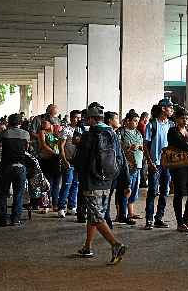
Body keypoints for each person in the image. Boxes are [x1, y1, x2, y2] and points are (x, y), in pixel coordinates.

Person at [75, 105, 128, 265]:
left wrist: (81, 179)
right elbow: (121, 159)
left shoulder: (88, 135)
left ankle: (116, 244)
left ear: (91, 119)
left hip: (92, 181)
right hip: (108, 180)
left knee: (96, 216)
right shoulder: (112, 133)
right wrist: (125, 182)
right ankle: (87, 247)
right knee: (95, 213)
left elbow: (81, 161)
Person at [143, 99, 175, 230]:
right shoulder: (152, 124)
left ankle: (159, 218)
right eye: (170, 107)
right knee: (152, 191)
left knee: (165, 191)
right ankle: (149, 219)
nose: (172, 110)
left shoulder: (171, 125)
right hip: (155, 164)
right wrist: (150, 162)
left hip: (167, 164)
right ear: (163, 109)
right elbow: (145, 145)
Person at [0, 114, 30, 227]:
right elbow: (27, 149)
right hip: (21, 166)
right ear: (20, 123)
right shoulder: (26, 134)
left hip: (6, 167)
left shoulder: (4, 133)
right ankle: (15, 219)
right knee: (18, 194)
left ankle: (2, 220)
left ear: (9, 122)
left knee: (2, 193)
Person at [167, 107, 188, 232]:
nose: (185, 120)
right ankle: (180, 223)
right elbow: (185, 146)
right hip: (178, 165)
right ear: (176, 119)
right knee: (179, 193)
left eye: (187, 118)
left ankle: (186, 220)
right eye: (182, 118)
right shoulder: (172, 131)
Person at [119, 110, 144, 225]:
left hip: (138, 164)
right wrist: (129, 147)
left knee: (134, 189)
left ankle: (131, 212)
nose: (136, 123)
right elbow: (119, 147)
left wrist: (139, 147)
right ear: (128, 121)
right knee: (126, 189)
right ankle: (122, 214)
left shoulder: (138, 133)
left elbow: (142, 145)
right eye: (134, 121)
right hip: (127, 165)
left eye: (137, 121)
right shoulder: (121, 132)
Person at [57, 110, 83, 218]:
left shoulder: (81, 130)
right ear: (71, 118)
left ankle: (71, 206)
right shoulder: (66, 130)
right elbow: (61, 146)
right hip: (68, 161)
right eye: (76, 117)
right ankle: (61, 207)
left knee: (75, 185)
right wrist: (64, 160)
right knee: (67, 184)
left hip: (78, 162)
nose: (78, 120)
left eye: (79, 118)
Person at [38, 120, 62, 211]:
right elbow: (43, 145)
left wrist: (57, 133)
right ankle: (45, 205)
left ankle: (55, 203)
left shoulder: (56, 132)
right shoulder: (42, 132)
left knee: (56, 183)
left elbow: (61, 143)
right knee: (47, 183)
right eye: (43, 122)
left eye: (45, 123)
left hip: (56, 160)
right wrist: (54, 153)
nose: (43, 124)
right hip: (47, 159)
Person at [137, 112, 150, 188]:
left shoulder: (139, 125)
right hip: (142, 148)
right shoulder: (143, 126)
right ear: (145, 118)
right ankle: (143, 182)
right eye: (147, 119)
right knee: (143, 166)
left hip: (140, 148)